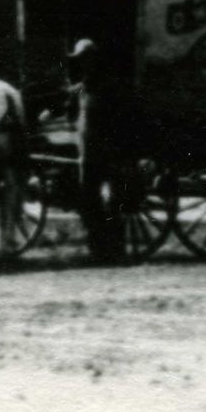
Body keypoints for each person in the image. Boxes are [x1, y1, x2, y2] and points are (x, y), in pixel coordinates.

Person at [67, 38, 128, 263]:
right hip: (88, 156)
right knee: (89, 202)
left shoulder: (110, 87)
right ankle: (98, 250)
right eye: (81, 60)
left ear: (95, 60)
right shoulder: (81, 90)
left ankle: (115, 250)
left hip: (108, 154)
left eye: (87, 59)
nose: (84, 64)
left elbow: (120, 120)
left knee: (112, 203)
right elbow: (70, 115)